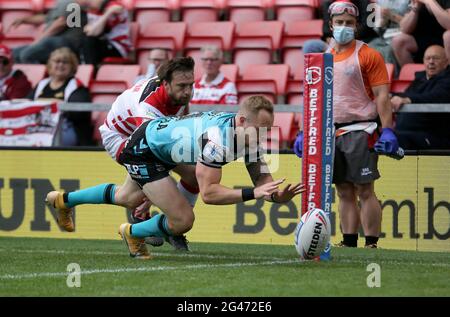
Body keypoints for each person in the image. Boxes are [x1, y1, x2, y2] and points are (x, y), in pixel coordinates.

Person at [116, 96, 304, 259]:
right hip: (145, 148)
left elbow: (263, 181)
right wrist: (255, 193)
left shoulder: (249, 137)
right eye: (260, 129)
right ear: (241, 120)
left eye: (268, 130)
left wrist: (275, 197)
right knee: (177, 218)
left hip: (164, 146)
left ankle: (153, 230)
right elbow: (209, 194)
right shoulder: (218, 138)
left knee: (134, 199)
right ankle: (132, 231)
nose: (264, 136)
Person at [45, 57, 199, 255]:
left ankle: (63, 200)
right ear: (165, 84)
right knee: (136, 197)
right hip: (121, 138)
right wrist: (151, 195)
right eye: (182, 86)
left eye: (191, 85)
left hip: (144, 136)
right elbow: (152, 150)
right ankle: (166, 227)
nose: (188, 91)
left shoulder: (178, 93)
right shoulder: (148, 108)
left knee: (130, 195)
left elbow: (178, 127)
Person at [294, 1, 398, 249]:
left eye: (349, 23)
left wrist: (389, 130)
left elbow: (382, 95)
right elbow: (311, 96)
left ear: (357, 26)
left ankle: (371, 242)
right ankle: (349, 241)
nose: (344, 27)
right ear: (330, 25)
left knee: (364, 189)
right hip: (331, 131)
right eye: (339, 23)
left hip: (361, 129)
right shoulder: (322, 57)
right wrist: (302, 131)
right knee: (342, 190)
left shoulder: (369, 54)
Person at [27, 47, 93, 146]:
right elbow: (27, 104)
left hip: (66, 130)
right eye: (57, 61)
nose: (60, 65)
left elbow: (78, 113)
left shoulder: (77, 86)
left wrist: (45, 104)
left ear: (73, 66)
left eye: (65, 62)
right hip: (39, 128)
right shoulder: (41, 84)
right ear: (50, 64)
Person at [391, 45, 450, 149]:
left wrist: (409, 100)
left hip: (434, 136)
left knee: (394, 139)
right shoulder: (419, 79)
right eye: (428, 58)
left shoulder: (447, 79)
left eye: (436, 58)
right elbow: (406, 95)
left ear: (446, 62)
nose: (431, 62)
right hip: (406, 134)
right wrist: (391, 96)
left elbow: (437, 96)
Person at [11, 0, 87, 64]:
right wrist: (24, 20)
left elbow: (61, 23)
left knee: (27, 54)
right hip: (53, 41)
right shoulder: (61, 2)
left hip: (66, 42)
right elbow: (47, 18)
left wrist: (41, 38)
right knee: (13, 54)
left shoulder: (69, 2)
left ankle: (39, 79)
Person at [303, 0, 379, 54]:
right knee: (310, 46)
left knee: (376, 49)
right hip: (335, 43)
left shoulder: (366, 2)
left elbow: (368, 26)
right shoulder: (327, 3)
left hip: (362, 41)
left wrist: (348, 39)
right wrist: (335, 41)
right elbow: (326, 29)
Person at [392, 0, 450, 67]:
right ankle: (413, 75)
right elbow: (404, 29)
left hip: (444, 40)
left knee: (448, 36)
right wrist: (415, 8)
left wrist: (431, 3)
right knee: (398, 41)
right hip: (422, 39)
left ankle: (447, 74)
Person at [78, 0, 132, 65]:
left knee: (89, 40)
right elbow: (92, 32)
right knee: (83, 39)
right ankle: (89, 69)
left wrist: (108, 13)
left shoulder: (116, 7)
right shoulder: (93, 10)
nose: (88, 3)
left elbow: (94, 32)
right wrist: (107, 13)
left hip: (118, 48)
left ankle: (91, 70)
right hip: (104, 44)